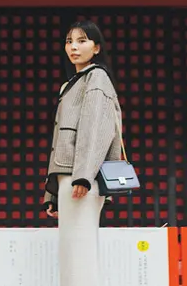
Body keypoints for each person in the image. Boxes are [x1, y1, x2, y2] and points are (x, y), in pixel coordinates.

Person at [42, 20, 124, 286]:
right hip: (70, 177)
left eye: (82, 40)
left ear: (96, 47)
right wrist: (52, 191)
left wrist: (84, 176)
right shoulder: (70, 85)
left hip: (80, 178)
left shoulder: (96, 77)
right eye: (69, 41)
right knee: (71, 252)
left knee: (80, 254)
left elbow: (96, 129)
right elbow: (61, 140)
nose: (74, 47)